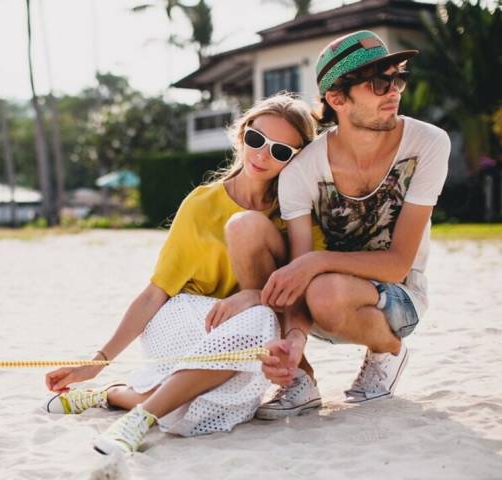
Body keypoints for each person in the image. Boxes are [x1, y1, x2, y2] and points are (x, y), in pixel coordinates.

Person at [43, 93, 322, 455]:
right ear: (242, 134)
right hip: (185, 318)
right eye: (256, 140)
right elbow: (154, 294)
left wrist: (254, 296)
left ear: (297, 159)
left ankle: (110, 396)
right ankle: (138, 419)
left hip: (245, 334)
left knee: (198, 414)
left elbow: (298, 292)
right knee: (259, 322)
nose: (262, 155)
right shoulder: (201, 204)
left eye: (281, 151)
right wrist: (96, 362)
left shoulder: (297, 214)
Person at [256, 30, 451, 418]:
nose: (392, 91)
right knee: (317, 291)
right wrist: (294, 341)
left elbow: (397, 265)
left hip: (401, 295)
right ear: (337, 99)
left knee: (323, 287)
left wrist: (315, 263)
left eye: (396, 78)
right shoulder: (302, 171)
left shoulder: (429, 143)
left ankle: (389, 350)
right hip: (331, 300)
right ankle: (305, 379)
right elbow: (299, 273)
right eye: (378, 83)